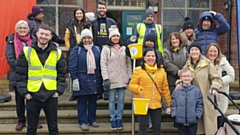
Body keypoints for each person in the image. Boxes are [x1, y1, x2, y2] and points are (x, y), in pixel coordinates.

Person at [16, 25, 66, 135]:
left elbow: (62, 74)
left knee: (53, 128)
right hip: (33, 94)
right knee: (31, 129)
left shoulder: (57, 52)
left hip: (51, 94)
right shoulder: (26, 51)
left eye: (46, 34)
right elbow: (20, 74)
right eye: (42, 33)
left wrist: (59, 91)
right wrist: (25, 93)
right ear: (37, 34)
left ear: (51, 37)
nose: (44, 36)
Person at [176, 40, 223, 135]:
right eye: (192, 50)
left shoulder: (207, 64)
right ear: (189, 52)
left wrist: (214, 88)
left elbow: (217, 79)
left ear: (200, 51)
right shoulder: (187, 65)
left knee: (208, 126)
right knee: (196, 128)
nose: (194, 52)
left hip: (206, 98)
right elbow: (182, 77)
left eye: (196, 49)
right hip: (192, 101)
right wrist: (178, 83)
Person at [5, 20, 42, 130]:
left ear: (28, 30)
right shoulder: (11, 41)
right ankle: (21, 121)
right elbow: (10, 58)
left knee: (33, 100)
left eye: (24, 28)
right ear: (16, 30)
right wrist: (24, 67)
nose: (22, 30)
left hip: (32, 75)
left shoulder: (34, 40)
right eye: (20, 28)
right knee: (20, 100)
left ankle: (34, 120)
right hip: (18, 75)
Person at [128, 48, 172, 135]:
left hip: (156, 103)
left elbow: (165, 88)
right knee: (142, 128)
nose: (150, 58)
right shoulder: (138, 70)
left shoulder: (161, 71)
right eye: (148, 56)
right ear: (144, 57)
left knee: (157, 127)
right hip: (142, 102)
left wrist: (169, 104)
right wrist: (138, 88)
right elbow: (131, 85)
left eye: (153, 56)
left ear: (156, 57)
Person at [68, 29, 102, 131]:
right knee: (82, 101)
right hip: (81, 79)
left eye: (89, 38)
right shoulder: (76, 50)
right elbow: (72, 66)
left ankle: (92, 119)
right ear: (82, 39)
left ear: (92, 38)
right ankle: (82, 121)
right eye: (85, 38)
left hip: (95, 79)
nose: (87, 40)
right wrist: (74, 79)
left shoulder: (97, 49)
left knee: (93, 101)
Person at [100, 26, 132, 130]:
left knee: (121, 100)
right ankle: (113, 119)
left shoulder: (124, 48)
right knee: (112, 100)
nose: (115, 38)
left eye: (117, 36)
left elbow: (128, 63)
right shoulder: (106, 49)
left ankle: (119, 118)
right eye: (113, 36)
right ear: (110, 37)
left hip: (122, 78)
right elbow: (103, 64)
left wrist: (130, 76)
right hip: (111, 78)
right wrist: (105, 78)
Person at [91, 0, 117, 100]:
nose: (101, 10)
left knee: (108, 71)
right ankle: (98, 92)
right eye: (100, 8)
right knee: (97, 71)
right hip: (96, 49)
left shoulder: (112, 22)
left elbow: (115, 36)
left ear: (106, 9)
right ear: (97, 9)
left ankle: (107, 92)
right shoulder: (92, 22)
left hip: (108, 49)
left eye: (103, 8)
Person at [205, 43, 235, 128]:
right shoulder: (203, 62)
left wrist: (217, 83)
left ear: (218, 52)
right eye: (211, 51)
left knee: (220, 119)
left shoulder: (223, 62)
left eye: (215, 51)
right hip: (208, 94)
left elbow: (231, 75)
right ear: (207, 52)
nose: (213, 53)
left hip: (220, 94)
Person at [64, 8, 88, 101]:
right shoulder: (70, 24)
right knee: (73, 71)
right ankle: (74, 93)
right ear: (75, 15)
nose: (79, 15)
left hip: (84, 49)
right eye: (77, 13)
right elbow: (66, 38)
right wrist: (69, 48)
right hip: (73, 50)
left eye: (80, 13)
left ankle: (83, 91)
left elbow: (91, 36)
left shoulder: (87, 24)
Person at [171, 68, 204, 135]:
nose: (186, 78)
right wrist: (174, 115)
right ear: (180, 78)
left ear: (192, 77)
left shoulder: (196, 91)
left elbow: (199, 104)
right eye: (184, 76)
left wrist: (197, 115)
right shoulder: (176, 91)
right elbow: (174, 104)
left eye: (188, 76)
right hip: (180, 120)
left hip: (192, 120)